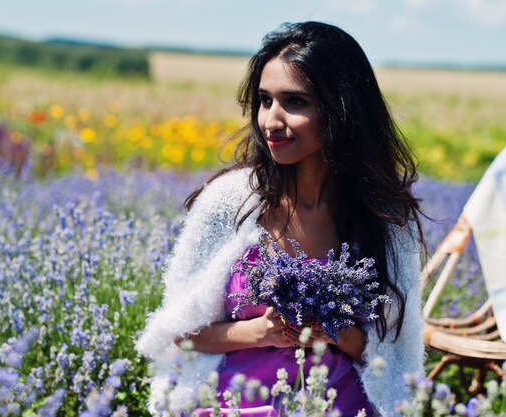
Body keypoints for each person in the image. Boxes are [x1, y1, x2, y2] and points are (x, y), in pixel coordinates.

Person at [136, 21, 425, 417]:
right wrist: (258, 333)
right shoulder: (229, 204)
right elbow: (180, 331)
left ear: (340, 108)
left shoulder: (383, 218)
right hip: (233, 405)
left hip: (337, 405)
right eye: (265, 100)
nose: (271, 120)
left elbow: (394, 351)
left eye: (295, 102)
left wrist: (332, 329)